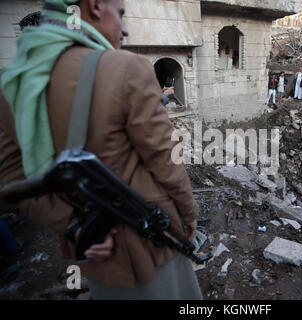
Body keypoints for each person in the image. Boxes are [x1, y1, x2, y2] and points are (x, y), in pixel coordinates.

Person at [0, 0, 202, 300]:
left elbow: (11, 175)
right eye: (120, 14)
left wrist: (73, 225)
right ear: (94, 6)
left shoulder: (14, 84)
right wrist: (189, 216)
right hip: (149, 244)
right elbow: (167, 160)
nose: (124, 28)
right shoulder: (126, 67)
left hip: (94, 252)